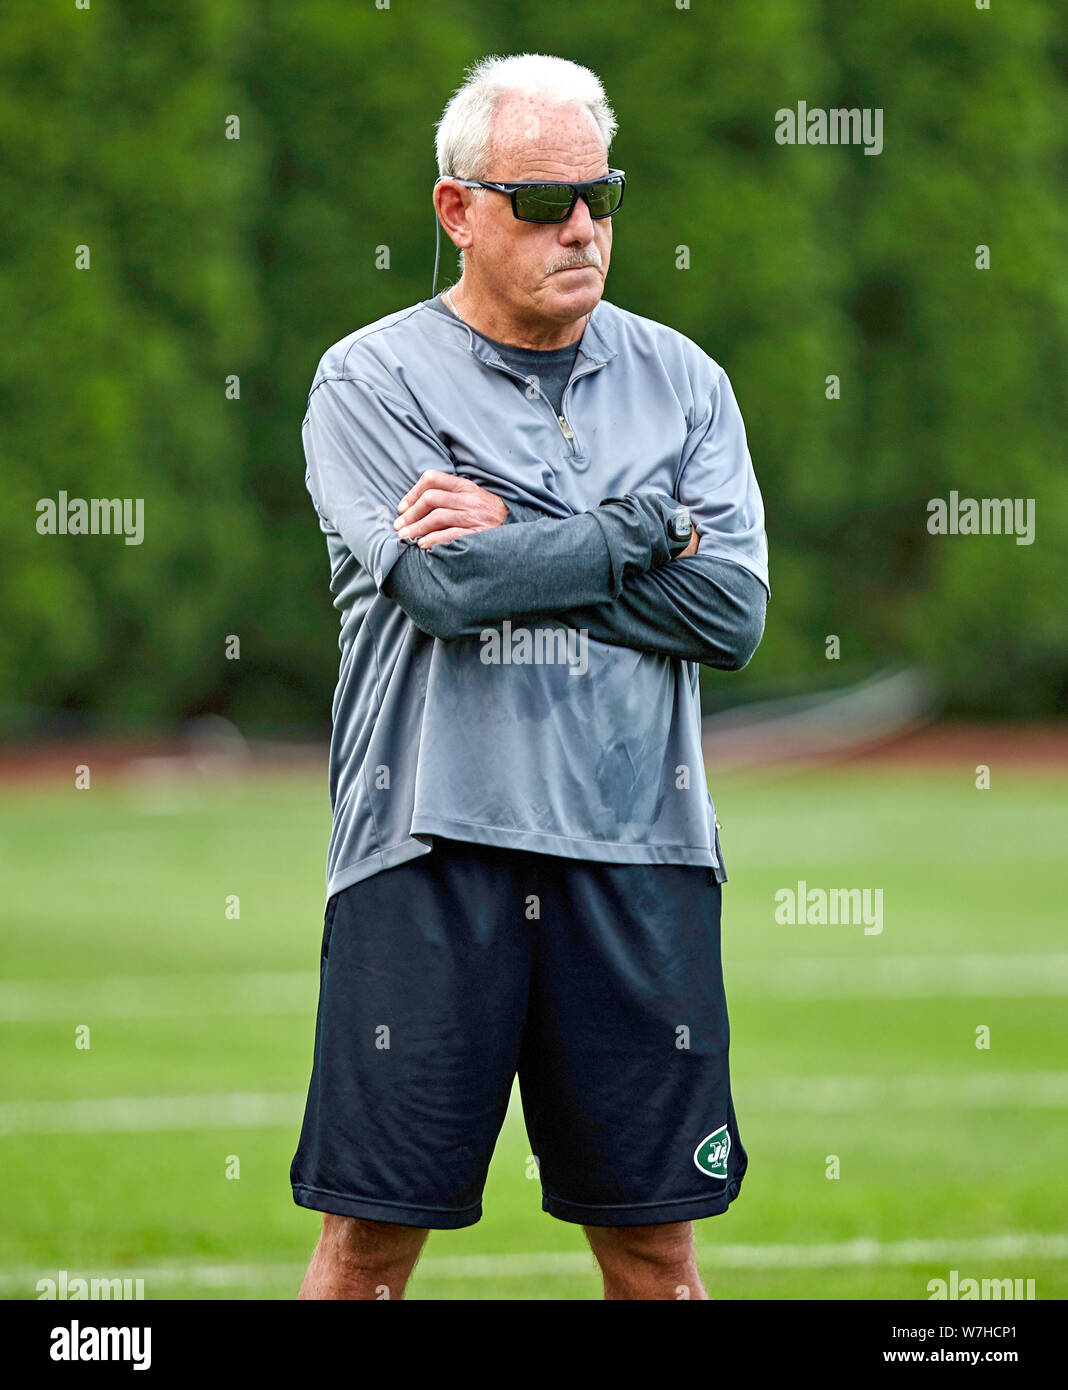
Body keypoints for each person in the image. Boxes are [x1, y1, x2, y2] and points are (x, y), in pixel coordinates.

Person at [291, 51, 770, 1301]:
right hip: (428, 851)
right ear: (457, 209)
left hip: (645, 852)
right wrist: (636, 526)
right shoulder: (370, 378)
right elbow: (444, 587)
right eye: (544, 202)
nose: (583, 228)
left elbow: (729, 609)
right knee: (371, 1249)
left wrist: (519, 527)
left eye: (600, 197)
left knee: (659, 1254)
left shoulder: (686, 381)